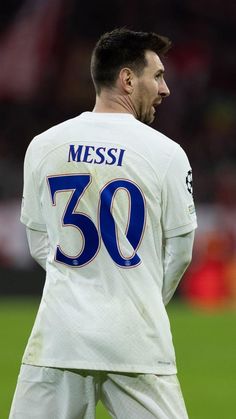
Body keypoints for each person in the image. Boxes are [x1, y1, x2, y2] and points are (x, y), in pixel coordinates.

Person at [10, 28, 197, 419]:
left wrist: (82, 286)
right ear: (128, 79)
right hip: (136, 342)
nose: (165, 89)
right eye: (158, 76)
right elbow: (179, 253)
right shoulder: (166, 153)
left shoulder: (44, 145)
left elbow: (39, 241)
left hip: (60, 338)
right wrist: (138, 297)